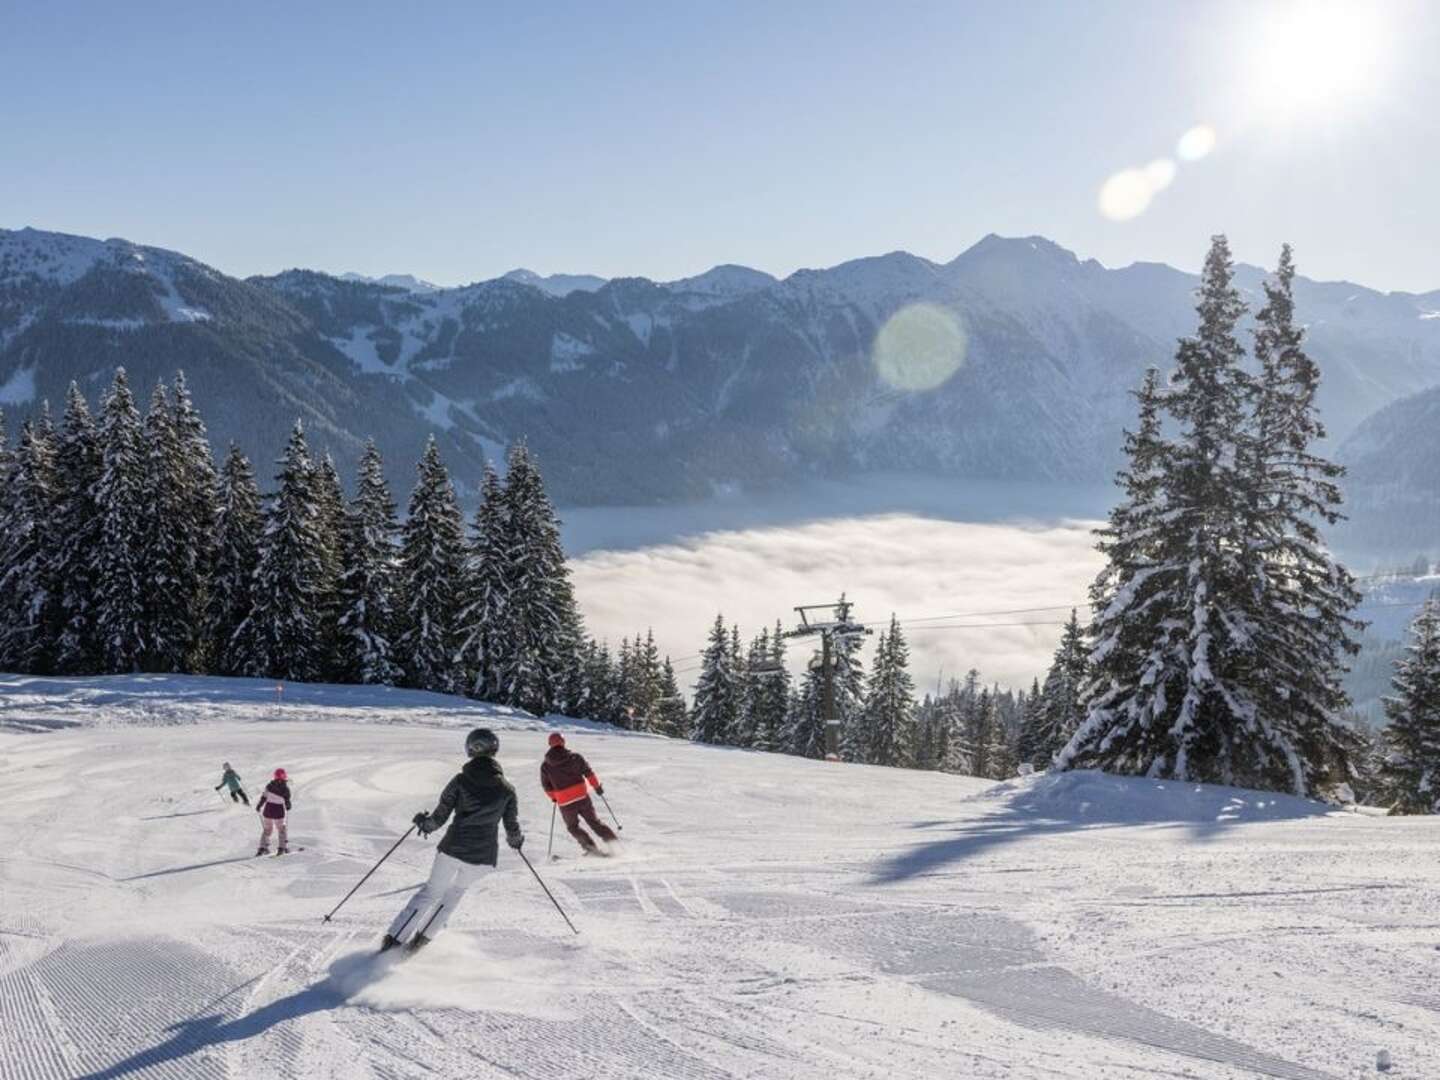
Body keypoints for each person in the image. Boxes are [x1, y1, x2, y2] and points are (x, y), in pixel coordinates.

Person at [382, 727, 523, 953]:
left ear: (471, 749)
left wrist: (423, 823)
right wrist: (516, 841)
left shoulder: (460, 780)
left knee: (431, 893)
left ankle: (394, 942)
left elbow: (439, 817)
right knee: (454, 894)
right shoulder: (507, 789)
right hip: (483, 858)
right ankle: (420, 942)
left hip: (453, 849)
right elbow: (512, 827)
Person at [541, 733, 617, 855]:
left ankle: (591, 849)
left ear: (550, 744)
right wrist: (597, 787)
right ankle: (615, 844)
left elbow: (546, 786)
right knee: (594, 822)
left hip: (565, 802)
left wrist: (554, 797)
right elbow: (589, 773)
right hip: (582, 797)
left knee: (573, 827)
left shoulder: (545, 765)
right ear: (563, 742)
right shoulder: (575, 758)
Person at [255, 768, 292, 855]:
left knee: (267, 829)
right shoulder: (285, 789)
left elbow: (264, 797)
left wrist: (259, 805)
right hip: (278, 811)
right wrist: (288, 806)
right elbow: (287, 800)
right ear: (284, 777)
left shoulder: (269, 786)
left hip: (268, 810)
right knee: (281, 829)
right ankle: (282, 847)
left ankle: (262, 847)